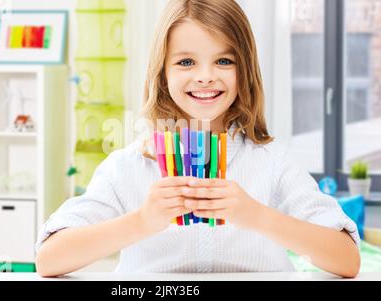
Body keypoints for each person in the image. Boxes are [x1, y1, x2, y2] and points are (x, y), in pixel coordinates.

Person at [35, 0, 360, 278]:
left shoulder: (272, 161)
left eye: (224, 61)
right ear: (163, 73)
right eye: (186, 62)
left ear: (243, 70)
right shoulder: (127, 166)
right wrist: (142, 221)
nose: (205, 75)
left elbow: (347, 259)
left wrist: (256, 215)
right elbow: (49, 259)